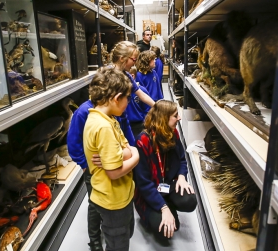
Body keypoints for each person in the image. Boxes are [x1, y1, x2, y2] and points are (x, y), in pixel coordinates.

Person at [83, 68, 140, 251]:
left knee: (125, 233)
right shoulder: (104, 127)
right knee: (118, 243)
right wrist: (136, 154)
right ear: (116, 98)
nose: (128, 103)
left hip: (119, 196)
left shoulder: (107, 119)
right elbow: (114, 172)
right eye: (127, 99)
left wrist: (123, 153)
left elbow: (124, 148)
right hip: (113, 200)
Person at [133, 100, 197, 243]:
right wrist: (163, 208)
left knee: (190, 201)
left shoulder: (172, 133)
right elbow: (144, 184)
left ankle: (168, 204)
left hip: (166, 184)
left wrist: (181, 177)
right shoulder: (143, 142)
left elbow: (181, 159)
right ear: (164, 118)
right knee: (164, 232)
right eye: (175, 115)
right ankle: (162, 207)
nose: (179, 118)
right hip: (149, 192)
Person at [127, 66, 151, 139]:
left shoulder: (142, 90)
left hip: (139, 125)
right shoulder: (122, 91)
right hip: (125, 125)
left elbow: (148, 109)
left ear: (132, 76)